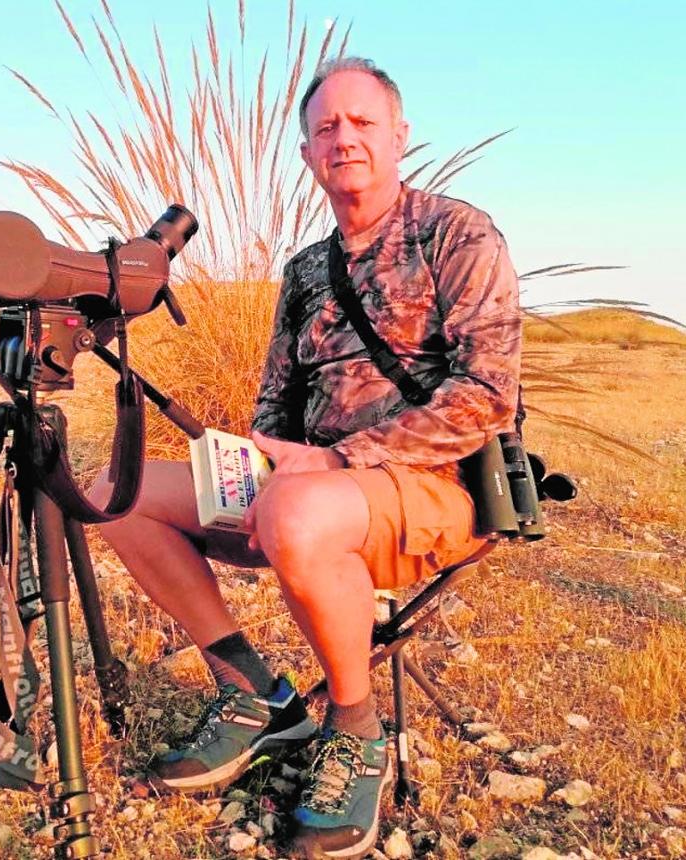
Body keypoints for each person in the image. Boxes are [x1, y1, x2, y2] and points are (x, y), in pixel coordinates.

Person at [91, 56, 521, 858]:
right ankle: (256, 693)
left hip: (434, 488)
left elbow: (487, 396)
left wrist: (335, 461)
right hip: (309, 493)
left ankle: (354, 728)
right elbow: (276, 404)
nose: (344, 138)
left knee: (295, 505)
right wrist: (251, 457)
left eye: (362, 123)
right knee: (113, 489)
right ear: (306, 153)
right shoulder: (304, 271)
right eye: (326, 127)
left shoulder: (457, 234)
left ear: (399, 136)